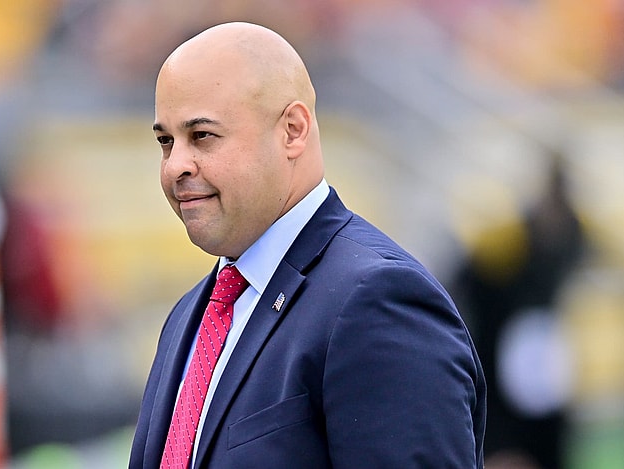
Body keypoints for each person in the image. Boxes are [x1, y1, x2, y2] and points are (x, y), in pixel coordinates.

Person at [129, 21, 486, 469]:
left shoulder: (378, 302)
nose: (176, 165)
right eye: (166, 141)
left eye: (202, 135)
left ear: (293, 130)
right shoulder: (189, 316)